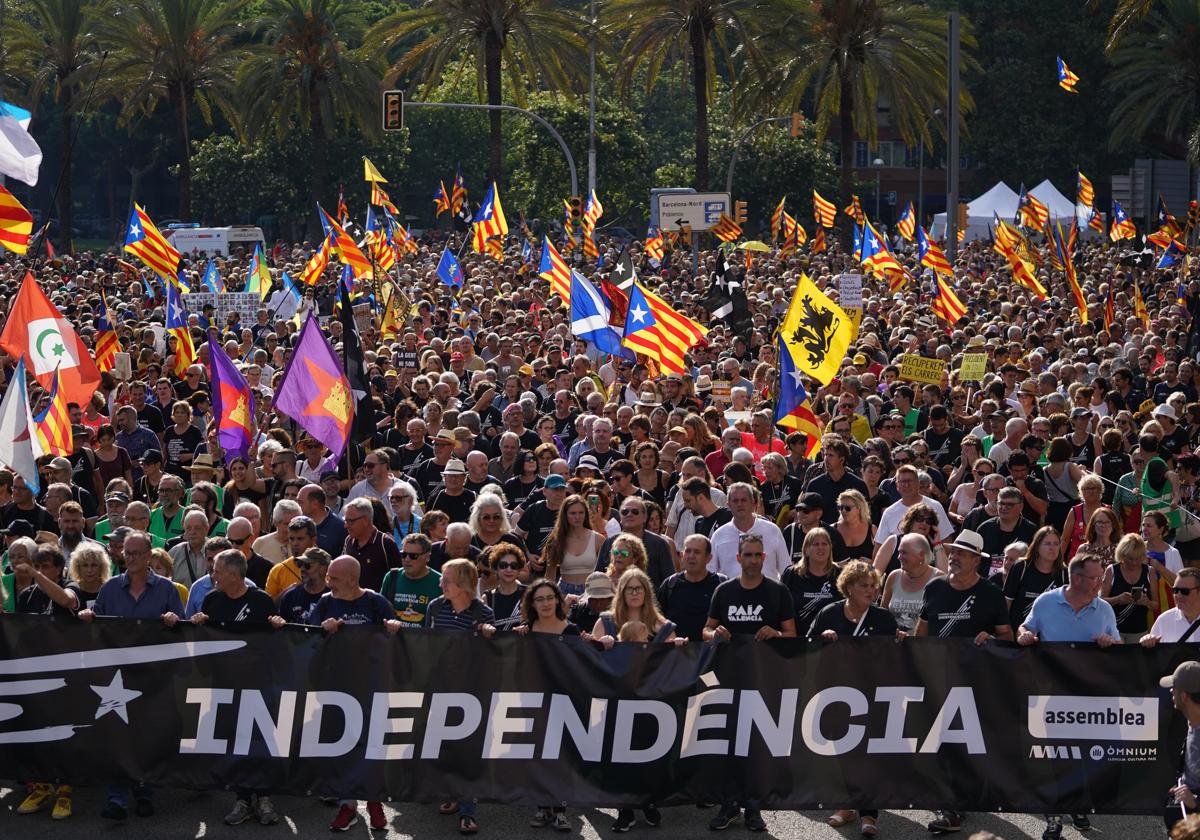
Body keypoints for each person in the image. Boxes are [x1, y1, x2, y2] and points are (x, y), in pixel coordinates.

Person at [77, 531, 185, 820]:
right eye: (127, 553)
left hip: (153, 678)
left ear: (149, 556)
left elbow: (184, 632)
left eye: (137, 553)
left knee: (146, 735)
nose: (131, 558)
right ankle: (116, 797)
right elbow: (98, 625)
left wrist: (175, 621)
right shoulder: (110, 588)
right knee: (117, 736)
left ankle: (144, 790)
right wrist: (89, 618)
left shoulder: (166, 589)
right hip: (116, 678)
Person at [914, 528, 1012, 837]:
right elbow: (922, 631)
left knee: (966, 741)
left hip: (976, 680)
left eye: (961, 553)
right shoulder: (933, 588)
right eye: (952, 551)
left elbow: (1006, 636)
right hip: (938, 675)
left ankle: (961, 798)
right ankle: (951, 805)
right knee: (941, 740)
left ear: (976, 561)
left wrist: (992, 637)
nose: (953, 557)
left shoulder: (991, 593)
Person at [1017, 553, 1120, 839]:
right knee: (1055, 757)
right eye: (1095, 578)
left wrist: (1110, 643)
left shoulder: (1104, 610)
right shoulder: (1046, 602)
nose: (1100, 583)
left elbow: (1121, 647)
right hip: (1052, 695)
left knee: (1083, 754)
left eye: (1101, 577)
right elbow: (1026, 627)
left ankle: (1078, 804)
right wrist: (1024, 634)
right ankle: (1054, 816)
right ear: (1076, 578)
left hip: (1089, 698)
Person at [704, 533, 796, 832]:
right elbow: (706, 629)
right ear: (738, 557)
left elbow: (792, 637)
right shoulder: (724, 591)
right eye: (748, 555)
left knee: (756, 745)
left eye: (758, 555)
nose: (753, 560)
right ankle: (729, 804)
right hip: (728, 678)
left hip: (763, 678)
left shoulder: (778, 592)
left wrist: (777, 635)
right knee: (728, 743)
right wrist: (714, 635)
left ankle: (753, 807)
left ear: (764, 558)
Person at [189, 548, 286, 827]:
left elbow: (276, 642)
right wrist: (196, 625)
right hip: (224, 686)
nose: (212, 575)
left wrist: (279, 626)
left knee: (261, 741)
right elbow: (204, 641)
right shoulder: (212, 600)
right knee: (236, 741)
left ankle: (264, 797)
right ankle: (242, 799)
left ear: (233, 575)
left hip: (259, 686)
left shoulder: (261, 600)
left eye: (217, 571)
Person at [811, 561, 901, 837]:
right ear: (848, 587)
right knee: (844, 751)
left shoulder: (884, 618)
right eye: (864, 585)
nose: (871, 591)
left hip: (872, 693)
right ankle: (847, 803)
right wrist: (821, 638)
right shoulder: (829, 613)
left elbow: (893, 659)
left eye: (874, 586)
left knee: (869, 753)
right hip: (837, 693)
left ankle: (869, 813)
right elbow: (807, 645)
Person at [316, 555, 402, 832]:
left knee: (372, 744)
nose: (328, 582)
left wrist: (394, 628)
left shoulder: (375, 602)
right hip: (337, 686)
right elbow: (307, 640)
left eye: (334, 578)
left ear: (353, 580)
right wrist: (322, 631)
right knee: (343, 744)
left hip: (371, 686)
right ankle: (347, 805)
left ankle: (374, 800)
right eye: (328, 577)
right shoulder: (326, 602)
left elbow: (397, 636)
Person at [424, 558, 497, 835]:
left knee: (468, 751)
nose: (440, 583)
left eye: (446, 579)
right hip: (440, 687)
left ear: (464, 584)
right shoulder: (435, 607)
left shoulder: (483, 613)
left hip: (471, 691)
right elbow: (425, 643)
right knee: (445, 746)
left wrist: (488, 635)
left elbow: (489, 656)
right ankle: (453, 794)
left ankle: (468, 810)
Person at [516, 579, 579, 832]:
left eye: (549, 598)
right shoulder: (525, 631)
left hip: (564, 700)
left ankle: (561, 811)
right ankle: (543, 808)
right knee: (538, 755)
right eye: (539, 599)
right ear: (532, 603)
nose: (545, 603)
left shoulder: (571, 630)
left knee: (561, 756)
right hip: (533, 700)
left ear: (558, 600)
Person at [657, 534, 725, 642]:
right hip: (677, 655)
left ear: (708, 558)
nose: (691, 556)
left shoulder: (721, 585)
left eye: (697, 552)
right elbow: (657, 620)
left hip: (713, 656)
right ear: (682, 555)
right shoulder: (670, 585)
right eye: (688, 551)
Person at [780, 527, 841, 639]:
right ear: (806, 549)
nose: (821, 548)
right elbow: (781, 607)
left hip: (831, 642)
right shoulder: (792, 574)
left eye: (824, 544)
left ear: (830, 548)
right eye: (815, 544)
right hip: (798, 641)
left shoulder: (840, 574)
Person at [1161, 661, 1200, 835]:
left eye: (1174, 687)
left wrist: (1195, 802)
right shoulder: (1192, 723)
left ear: (1184, 696)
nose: (1170, 691)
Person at [1004, 527, 1068, 630]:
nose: (1052, 548)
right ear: (1037, 546)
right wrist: (1006, 632)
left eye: (1056, 544)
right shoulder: (1021, 567)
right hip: (1019, 632)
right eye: (1047, 543)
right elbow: (1007, 602)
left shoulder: (1064, 573)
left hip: (1049, 635)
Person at [880, 533, 943, 632]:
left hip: (925, 645)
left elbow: (942, 620)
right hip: (894, 644)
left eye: (904, 553)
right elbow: (882, 615)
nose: (899, 557)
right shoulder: (894, 576)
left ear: (921, 555)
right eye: (899, 552)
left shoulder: (938, 579)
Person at [1103, 533, 1158, 644]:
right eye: (1130, 558)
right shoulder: (1112, 570)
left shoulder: (1149, 571)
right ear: (1122, 555)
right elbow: (1100, 601)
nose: (1134, 562)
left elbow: (1155, 606)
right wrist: (1118, 599)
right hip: (1114, 631)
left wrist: (1146, 602)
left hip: (1139, 632)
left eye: (1138, 559)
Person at [380, 532, 442, 627]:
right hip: (395, 639)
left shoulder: (440, 581)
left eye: (413, 556)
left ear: (427, 557)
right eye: (404, 554)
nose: (407, 559)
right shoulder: (392, 577)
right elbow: (380, 610)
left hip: (425, 640)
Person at [277, 547, 332, 624]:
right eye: (300, 564)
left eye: (307, 565)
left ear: (324, 569)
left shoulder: (334, 597)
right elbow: (281, 628)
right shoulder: (290, 596)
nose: (302, 569)